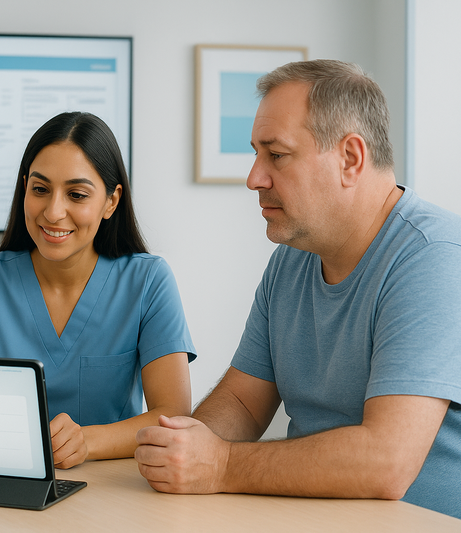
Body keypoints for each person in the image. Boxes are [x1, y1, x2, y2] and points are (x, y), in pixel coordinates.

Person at [134, 59, 461, 519]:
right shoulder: (292, 260)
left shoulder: (436, 256)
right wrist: (181, 446)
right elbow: (244, 403)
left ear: (351, 158)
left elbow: (385, 463)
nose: (254, 178)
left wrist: (221, 464)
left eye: (277, 155)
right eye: (255, 154)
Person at [0, 112, 195, 468]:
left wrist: (87, 441)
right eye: (40, 189)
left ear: (111, 201)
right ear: (24, 186)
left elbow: (173, 415)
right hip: (10, 481)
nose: (54, 211)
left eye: (76, 194)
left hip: (117, 491)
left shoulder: (148, 281)